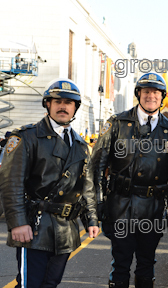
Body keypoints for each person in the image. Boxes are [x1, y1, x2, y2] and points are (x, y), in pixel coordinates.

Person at [89, 72, 168, 288]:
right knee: (121, 264)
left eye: (155, 92)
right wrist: (97, 204)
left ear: (162, 97)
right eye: (146, 91)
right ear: (138, 94)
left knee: (147, 263)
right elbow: (96, 168)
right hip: (120, 206)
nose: (150, 96)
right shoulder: (117, 123)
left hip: (153, 209)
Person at [0, 78, 99, 287]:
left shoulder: (81, 145)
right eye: (57, 101)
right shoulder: (26, 137)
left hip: (65, 229)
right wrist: (17, 222)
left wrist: (91, 220)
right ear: (48, 104)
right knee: (30, 284)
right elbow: (11, 183)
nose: (63, 106)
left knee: (50, 284)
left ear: (75, 108)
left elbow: (86, 187)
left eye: (68, 102)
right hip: (34, 226)